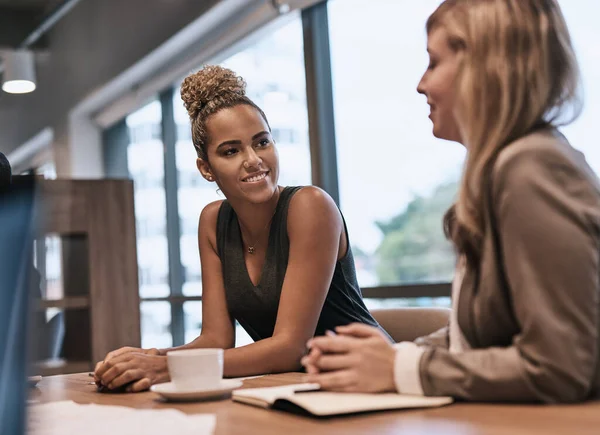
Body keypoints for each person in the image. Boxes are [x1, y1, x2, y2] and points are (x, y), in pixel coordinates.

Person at [302, 0, 600, 403]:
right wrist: (386, 358)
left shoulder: (532, 165)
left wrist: (398, 368)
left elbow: (557, 367)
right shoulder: (505, 169)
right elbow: (475, 339)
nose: (421, 84)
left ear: (486, 68)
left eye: (433, 62)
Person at [94, 65, 389, 392]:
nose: (253, 159)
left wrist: (165, 367)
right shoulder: (212, 221)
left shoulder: (310, 206)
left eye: (262, 142)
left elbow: (290, 347)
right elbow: (216, 340)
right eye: (231, 151)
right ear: (206, 168)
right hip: (298, 389)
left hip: (371, 387)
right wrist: (148, 358)